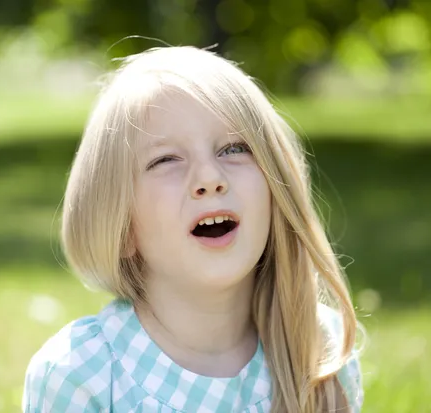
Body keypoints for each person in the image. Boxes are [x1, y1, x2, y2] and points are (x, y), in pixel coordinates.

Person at [22, 46, 364, 412]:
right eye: (166, 159)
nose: (210, 178)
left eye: (234, 148)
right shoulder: (82, 376)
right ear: (121, 226)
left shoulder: (317, 350)